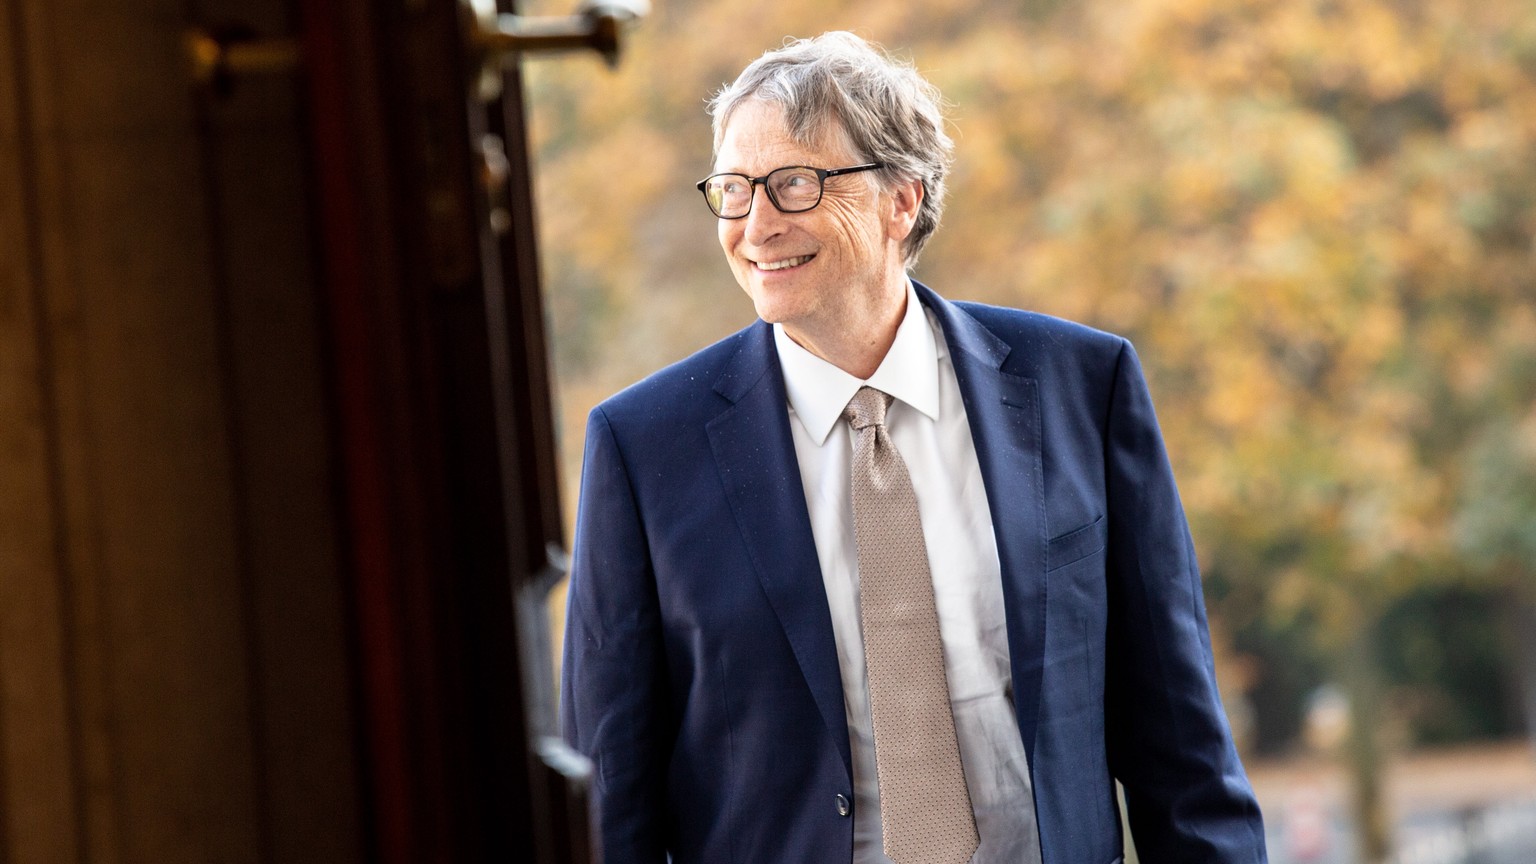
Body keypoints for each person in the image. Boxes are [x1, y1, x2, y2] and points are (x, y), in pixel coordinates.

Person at [561, 31, 1267, 864]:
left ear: (904, 199)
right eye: (732, 189)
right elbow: (611, 801)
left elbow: (1184, 755)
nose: (755, 226)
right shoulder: (643, 449)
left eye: (793, 184)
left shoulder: (1084, 385)